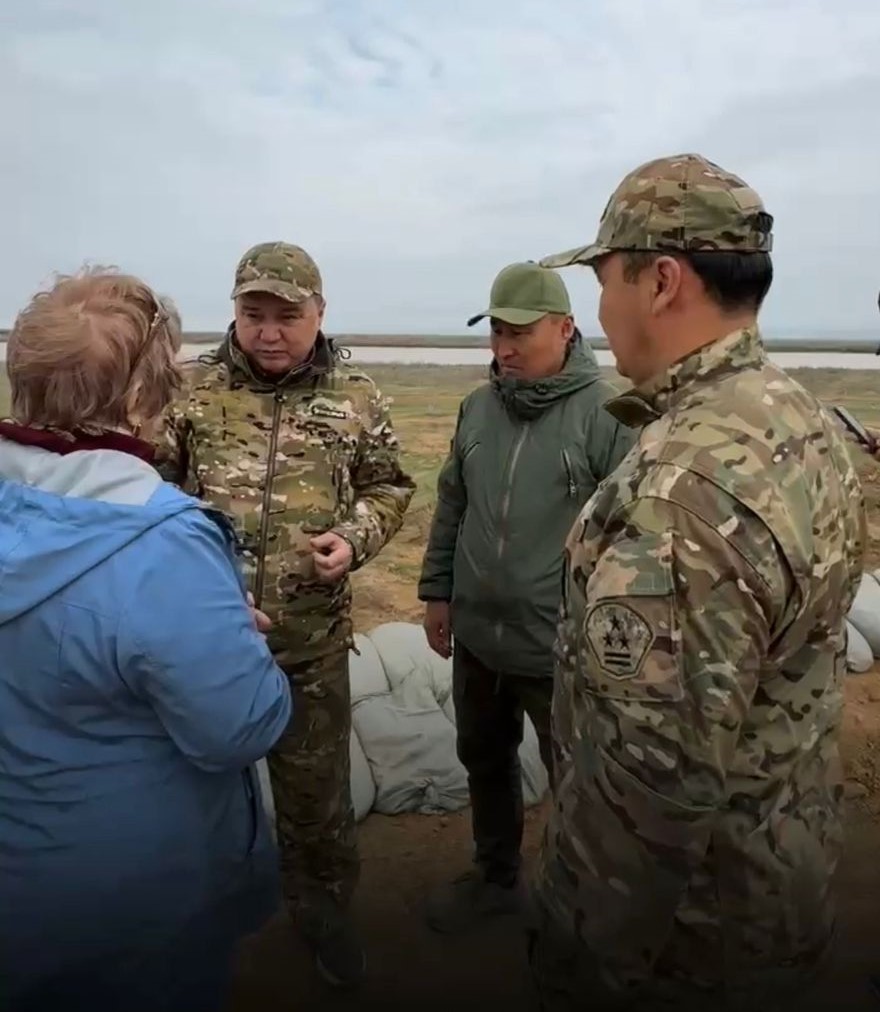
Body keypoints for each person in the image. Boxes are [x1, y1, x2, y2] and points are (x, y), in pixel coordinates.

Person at [528, 154, 867, 1011]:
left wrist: (579, 960)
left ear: (662, 281)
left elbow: (651, 784)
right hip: (778, 876)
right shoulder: (800, 417)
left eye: (605, 279)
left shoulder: (688, 489)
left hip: (690, 945)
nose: (600, 309)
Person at [0, 268, 292, 1012]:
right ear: (140, 396)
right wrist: (237, 639)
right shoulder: (164, 544)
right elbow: (239, 727)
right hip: (129, 906)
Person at [158, 241, 415, 988]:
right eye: (253, 314)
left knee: (316, 800)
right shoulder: (189, 391)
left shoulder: (357, 395)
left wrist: (354, 537)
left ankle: (324, 913)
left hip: (311, 644)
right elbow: (148, 496)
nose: (269, 332)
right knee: (190, 789)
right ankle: (185, 918)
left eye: (287, 316)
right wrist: (198, 582)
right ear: (233, 313)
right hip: (207, 644)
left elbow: (391, 486)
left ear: (320, 314)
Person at [417, 261, 636, 934]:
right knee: (483, 757)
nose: (504, 349)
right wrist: (437, 592)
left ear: (566, 329)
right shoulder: (477, 408)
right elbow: (452, 501)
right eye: (496, 334)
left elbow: (631, 540)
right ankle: (494, 876)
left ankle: (577, 901)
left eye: (519, 333)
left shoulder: (609, 416)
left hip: (559, 646)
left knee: (575, 775)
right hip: (480, 634)